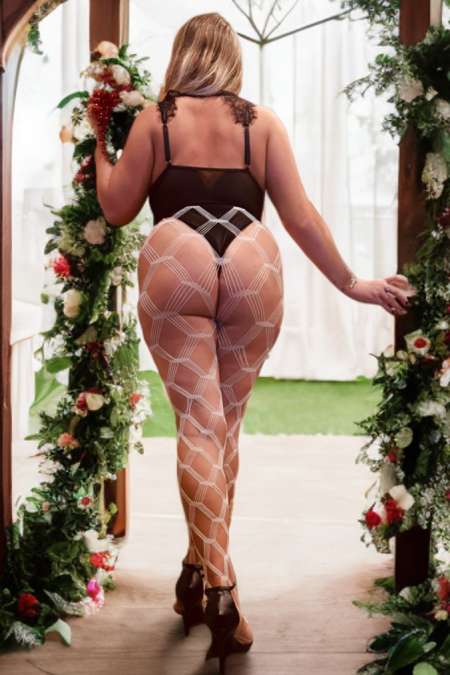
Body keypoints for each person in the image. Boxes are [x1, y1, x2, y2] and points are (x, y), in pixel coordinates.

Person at [91, 11, 415, 673]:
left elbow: (117, 208)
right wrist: (354, 283)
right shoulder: (260, 124)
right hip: (251, 256)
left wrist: (99, 152)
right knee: (225, 429)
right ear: (232, 60)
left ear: (182, 57)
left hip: (176, 253)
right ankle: (200, 571)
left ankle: (219, 587)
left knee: (198, 426)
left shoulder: (154, 121)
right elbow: (301, 217)